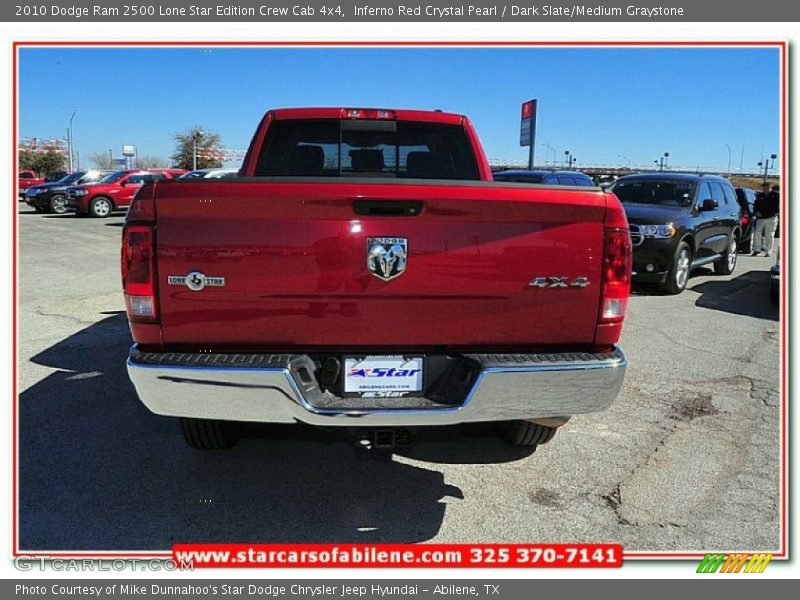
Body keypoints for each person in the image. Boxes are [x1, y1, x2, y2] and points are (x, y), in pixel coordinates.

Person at [751, 183, 780, 257]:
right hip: (760, 218)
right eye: (764, 188)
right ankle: (757, 249)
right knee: (757, 232)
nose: (765, 189)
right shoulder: (760, 195)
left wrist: (777, 213)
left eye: (767, 187)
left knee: (769, 234)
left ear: (770, 188)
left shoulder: (776, 195)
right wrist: (756, 212)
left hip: (771, 218)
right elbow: (755, 205)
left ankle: (768, 251)